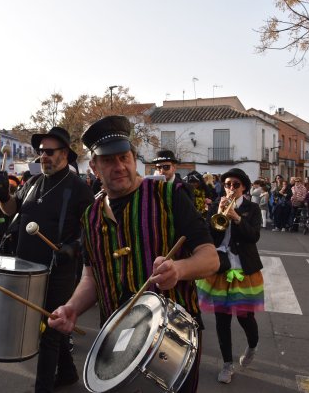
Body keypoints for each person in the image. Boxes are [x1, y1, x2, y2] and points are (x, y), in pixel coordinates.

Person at [46, 116, 219, 393]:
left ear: (134, 158)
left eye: (124, 157)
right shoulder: (90, 216)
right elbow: (91, 277)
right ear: (94, 167)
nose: (119, 167)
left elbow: (211, 258)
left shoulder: (169, 195)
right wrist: (71, 308)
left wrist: (179, 270)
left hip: (172, 339)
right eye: (108, 161)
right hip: (117, 340)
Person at [0, 126, 94, 392]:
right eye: (40, 152)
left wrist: (73, 248)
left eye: (49, 152)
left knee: (49, 333)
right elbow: (11, 211)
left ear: (65, 154)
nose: (43, 157)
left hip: (58, 270)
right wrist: (4, 196)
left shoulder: (77, 188)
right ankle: (68, 373)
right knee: (54, 326)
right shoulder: (32, 183)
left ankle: (43, 387)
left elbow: (91, 229)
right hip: (27, 268)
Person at [197, 168, 264, 384]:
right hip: (221, 268)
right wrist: (218, 213)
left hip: (244, 268)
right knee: (221, 319)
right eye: (227, 184)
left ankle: (252, 346)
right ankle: (227, 364)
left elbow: (253, 236)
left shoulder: (252, 208)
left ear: (244, 186)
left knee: (246, 318)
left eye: (236, 184)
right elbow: (211, 237)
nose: (231, 188)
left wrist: (236, 218)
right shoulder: (217, 204)